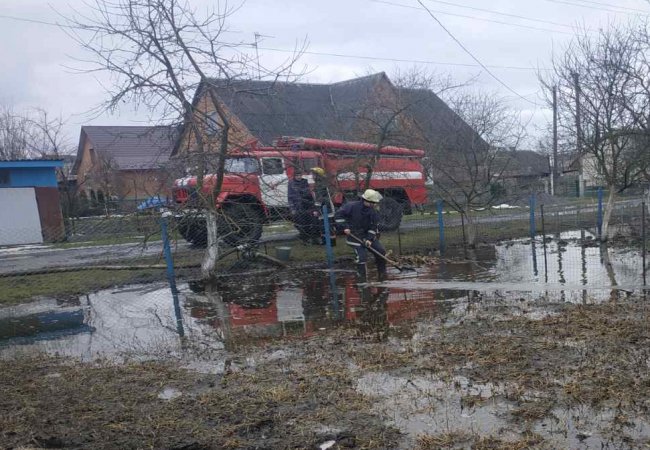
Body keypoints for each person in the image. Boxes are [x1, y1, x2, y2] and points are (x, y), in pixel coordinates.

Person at [334, 189, 387, 280]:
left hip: (367, 236)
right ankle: (362, 280)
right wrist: (345, 227)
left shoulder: (374, 211)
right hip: (354, 236)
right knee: (362, 257)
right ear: (366, 200)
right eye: (372, 203)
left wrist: (369, 239)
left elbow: (373, 227)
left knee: (381, 251)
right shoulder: (351, 206)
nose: (374, 205)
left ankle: (382, 275)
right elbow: (338, 216)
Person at [287, 167, 320, 244]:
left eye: (300, 175)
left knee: (311, 223)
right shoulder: (291, 183)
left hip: (307, 205)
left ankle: (313, 238)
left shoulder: (304, 182)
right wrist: (292, 208)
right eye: (297, 175)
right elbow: (290, 197)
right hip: (297, 206)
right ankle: (304, 240)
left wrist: (313, 207)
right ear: (294, 176)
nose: (299, 177)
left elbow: (309, 195)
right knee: (301, 224)